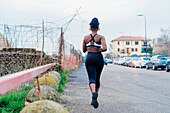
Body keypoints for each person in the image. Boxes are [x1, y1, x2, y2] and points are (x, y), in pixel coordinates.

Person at [82, 17, 107, 109]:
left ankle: (93, 93)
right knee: (97, 78)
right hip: (98, 57)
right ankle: (96, 96)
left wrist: (90, 48)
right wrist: (98, 49)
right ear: (98, 27)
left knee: (91, 77)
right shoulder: (101, 37)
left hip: (89, 57)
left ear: (90, 27)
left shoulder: (85, 38)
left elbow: (84, 50)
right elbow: (105, 48)